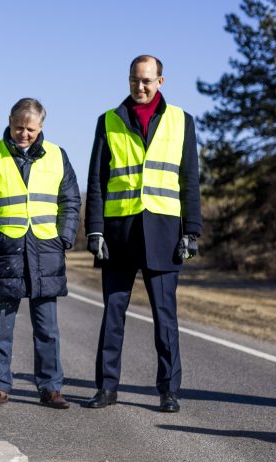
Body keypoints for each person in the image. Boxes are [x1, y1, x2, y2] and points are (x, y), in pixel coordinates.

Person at [84, 54, 202, 413]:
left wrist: (191, 232)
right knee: (112, 316)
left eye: (147, 81)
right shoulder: (108, 121)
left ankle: (169, 391)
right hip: (119, 234)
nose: (140, 87)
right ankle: (106, 388)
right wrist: (95, 230)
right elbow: (96, 180)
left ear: (160, 82)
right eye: (135, 80)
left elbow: (189, 181)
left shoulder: (182, 121)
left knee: (165, 319)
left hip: (165, 234)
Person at [0, 98, 81, 409]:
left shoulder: (58, 156)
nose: (24, 134)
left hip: (46, 251)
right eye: (19, 127)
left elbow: (70, 200)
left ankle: (51, 388)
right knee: (1, 325)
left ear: (41, 126)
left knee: (47, 328)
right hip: (5, 253)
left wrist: (64, 238)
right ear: (9, 121)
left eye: (30, 128)